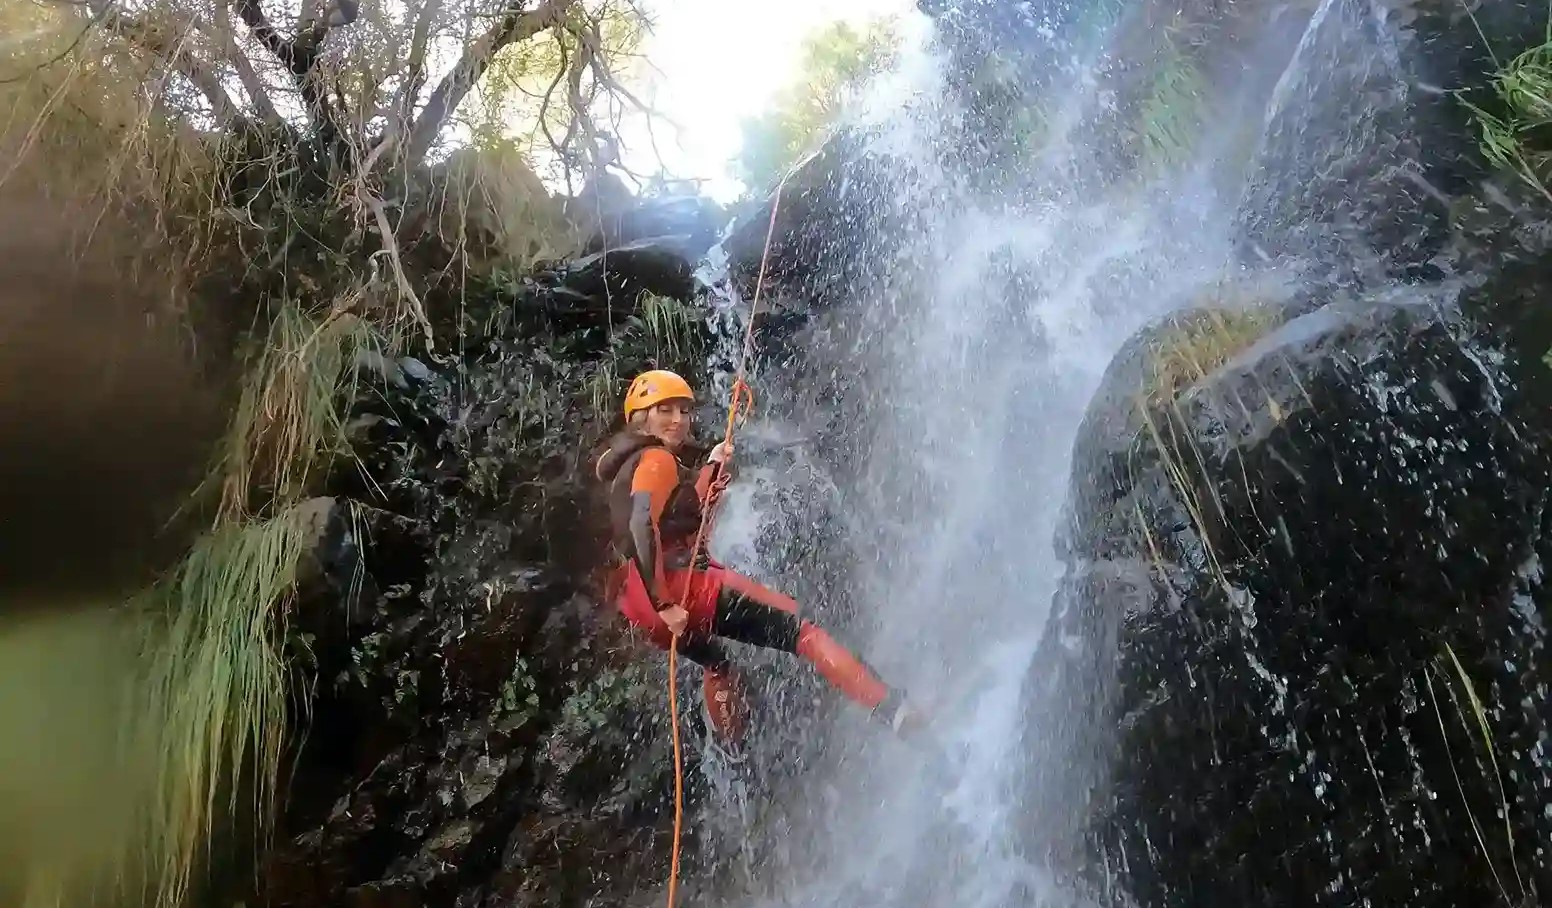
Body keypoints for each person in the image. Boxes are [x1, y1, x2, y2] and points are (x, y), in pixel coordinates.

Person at [595, 369, 925, 749]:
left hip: (639, 602)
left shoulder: (632, 465)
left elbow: (682, 518)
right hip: (677, 588)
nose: (677, 420)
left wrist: (712, 466)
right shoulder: (656, 459)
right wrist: (665, 603)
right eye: (664, 410)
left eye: (684, 411)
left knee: (717, 664)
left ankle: (732, 752)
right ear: (641, 418)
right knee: (806, 632)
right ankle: (894, 709)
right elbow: (641, 526)